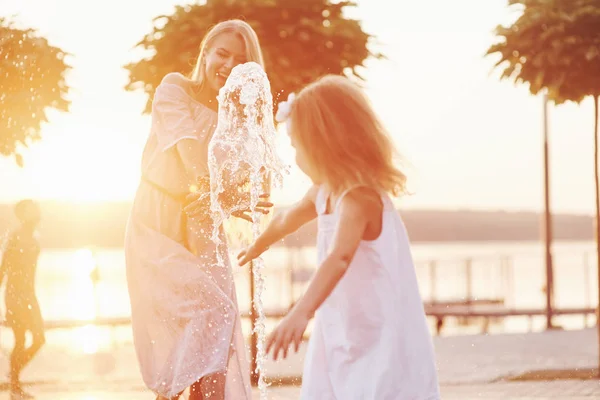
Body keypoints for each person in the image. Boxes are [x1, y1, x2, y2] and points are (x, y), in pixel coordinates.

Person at [237, 75, 441, 399]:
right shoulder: (323, 191)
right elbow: (287, 218)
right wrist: (259, 243)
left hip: (379, 329)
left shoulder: (358, 198)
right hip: (340, 324)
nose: (295, 159)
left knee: (376, 389)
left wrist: (301, 311)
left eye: (297, 147)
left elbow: (339, 257)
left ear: (324, 143)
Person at [124, 19, 271, 400]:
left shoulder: (238, 118)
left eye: (239, 61)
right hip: (159, 221)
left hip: (205, 228)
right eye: (221, 53)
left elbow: (244, 183)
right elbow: (190, 155)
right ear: (205, 53)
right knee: (206, 319)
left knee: (217, 336)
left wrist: (241, 200)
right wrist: (220, 194)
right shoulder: (174, 89)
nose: (227, 65)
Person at [0, 200, 45, 400]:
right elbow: (2, 270)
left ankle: (14, 375)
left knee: (39, 339)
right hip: (15, 295)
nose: (37, 212)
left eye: (36, 209)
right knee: (20, 340)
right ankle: (15, 386)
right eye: (31, 210)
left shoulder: (34, 237)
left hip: (30, 295)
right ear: (23, 215)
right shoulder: (16, 238)